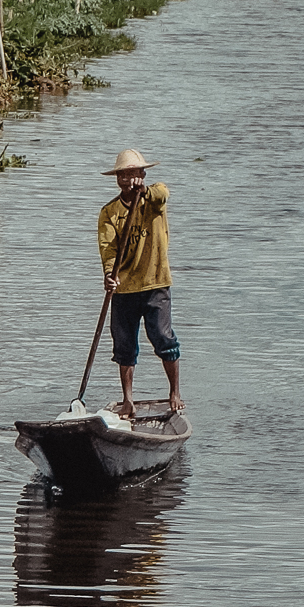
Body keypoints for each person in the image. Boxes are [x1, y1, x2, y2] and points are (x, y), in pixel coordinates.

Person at [97, 148, 183, 418]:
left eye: (133, 174)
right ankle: (127, 400)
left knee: (163, 338)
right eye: (123, 175)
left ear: (143, 175)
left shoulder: (154, 199)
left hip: (155, 283)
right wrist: (110, 275)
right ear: (117, 179)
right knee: (124, 346)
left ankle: (174, 393)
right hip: (125, 288)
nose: (128, 180)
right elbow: (108, 248)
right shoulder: (110, 212)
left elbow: (162, 193)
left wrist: (144, 191)